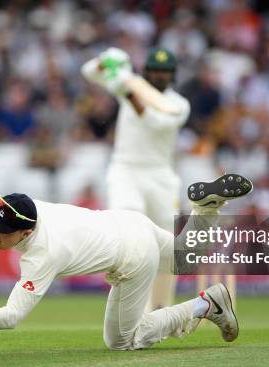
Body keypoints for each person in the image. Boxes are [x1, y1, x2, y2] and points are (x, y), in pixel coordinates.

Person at [0, 174, 253, 350]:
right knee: (186, 259)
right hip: (129, 222)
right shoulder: (25, 208)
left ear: (24, 233)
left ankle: (205, 306)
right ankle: (207, 209)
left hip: (132, 255)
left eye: (2, 231)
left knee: (122, 341)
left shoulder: (44, 254)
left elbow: (11, 317)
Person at [81, 47, 190, 311]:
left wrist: (127, 92)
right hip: (125, 170)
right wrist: (108, 61)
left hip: (161, 176)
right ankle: (131, 308)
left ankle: (161, 308)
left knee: (166, 243)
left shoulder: (179, 104)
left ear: (172, 75)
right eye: (154, 71)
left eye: (164, 72)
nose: (159, 76)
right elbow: (88, 72)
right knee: (131, 230)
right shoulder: (131, 83)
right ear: (146, 71)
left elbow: (153, 123)